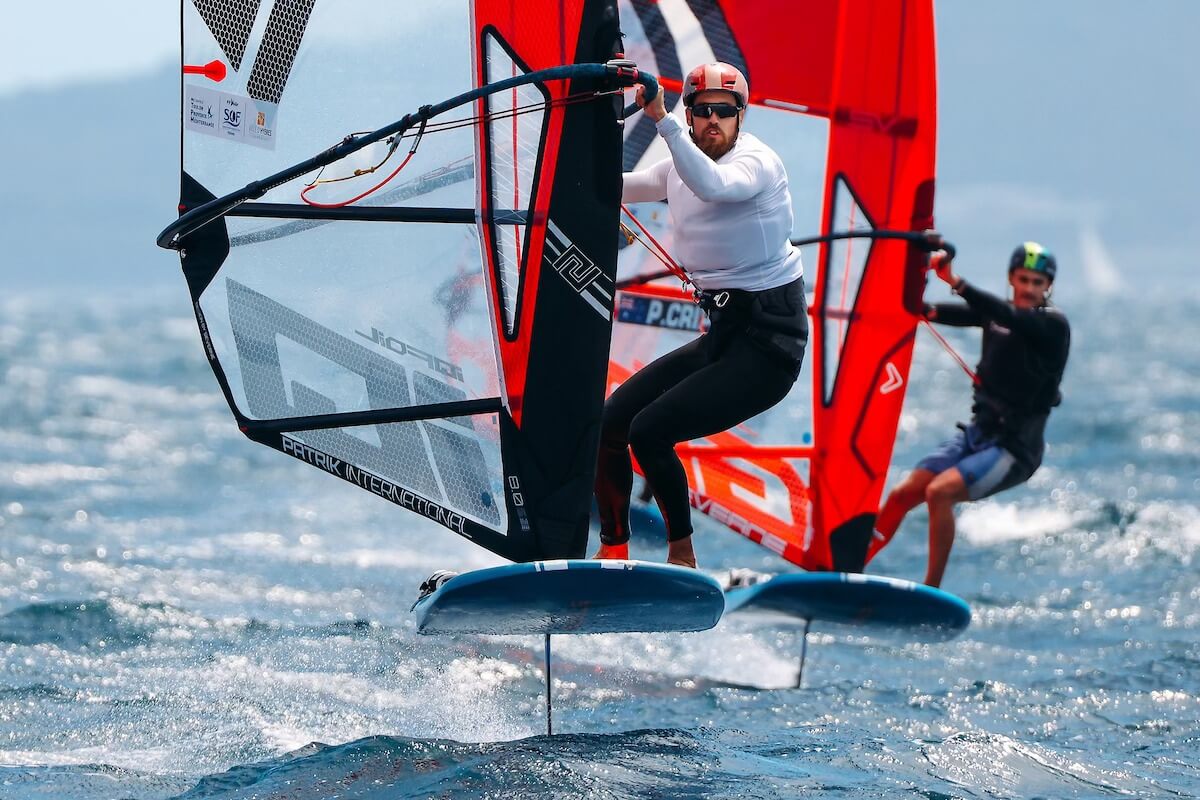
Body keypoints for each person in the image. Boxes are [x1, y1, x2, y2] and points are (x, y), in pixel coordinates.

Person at [593, 62, 808, 567]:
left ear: (740, 116)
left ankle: (682, 557)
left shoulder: (757, 162)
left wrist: (661, 120)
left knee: (650, 431)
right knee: (611, 422)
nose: (714, 120)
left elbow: (714, 185)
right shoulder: (677, 169)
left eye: (724, 111)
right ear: (691, 114)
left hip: (770, 349)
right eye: (703, 110)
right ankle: (613, 549)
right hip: (724, 337)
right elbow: (614, 186)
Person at [868, 239, 1071, 587]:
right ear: (1011, 278)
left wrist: (955, 281)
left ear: (1048, 286)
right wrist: (911, 290)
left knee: (939, 493)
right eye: (1023, 279)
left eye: (1037, 282)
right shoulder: (997, 314)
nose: (1028, 288)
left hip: (1014, 449)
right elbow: (931, 311)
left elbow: (1008, 316)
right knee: (903, 494)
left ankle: (930, 590)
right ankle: (848, 567)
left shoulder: (1053, 326)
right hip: (977, 435)